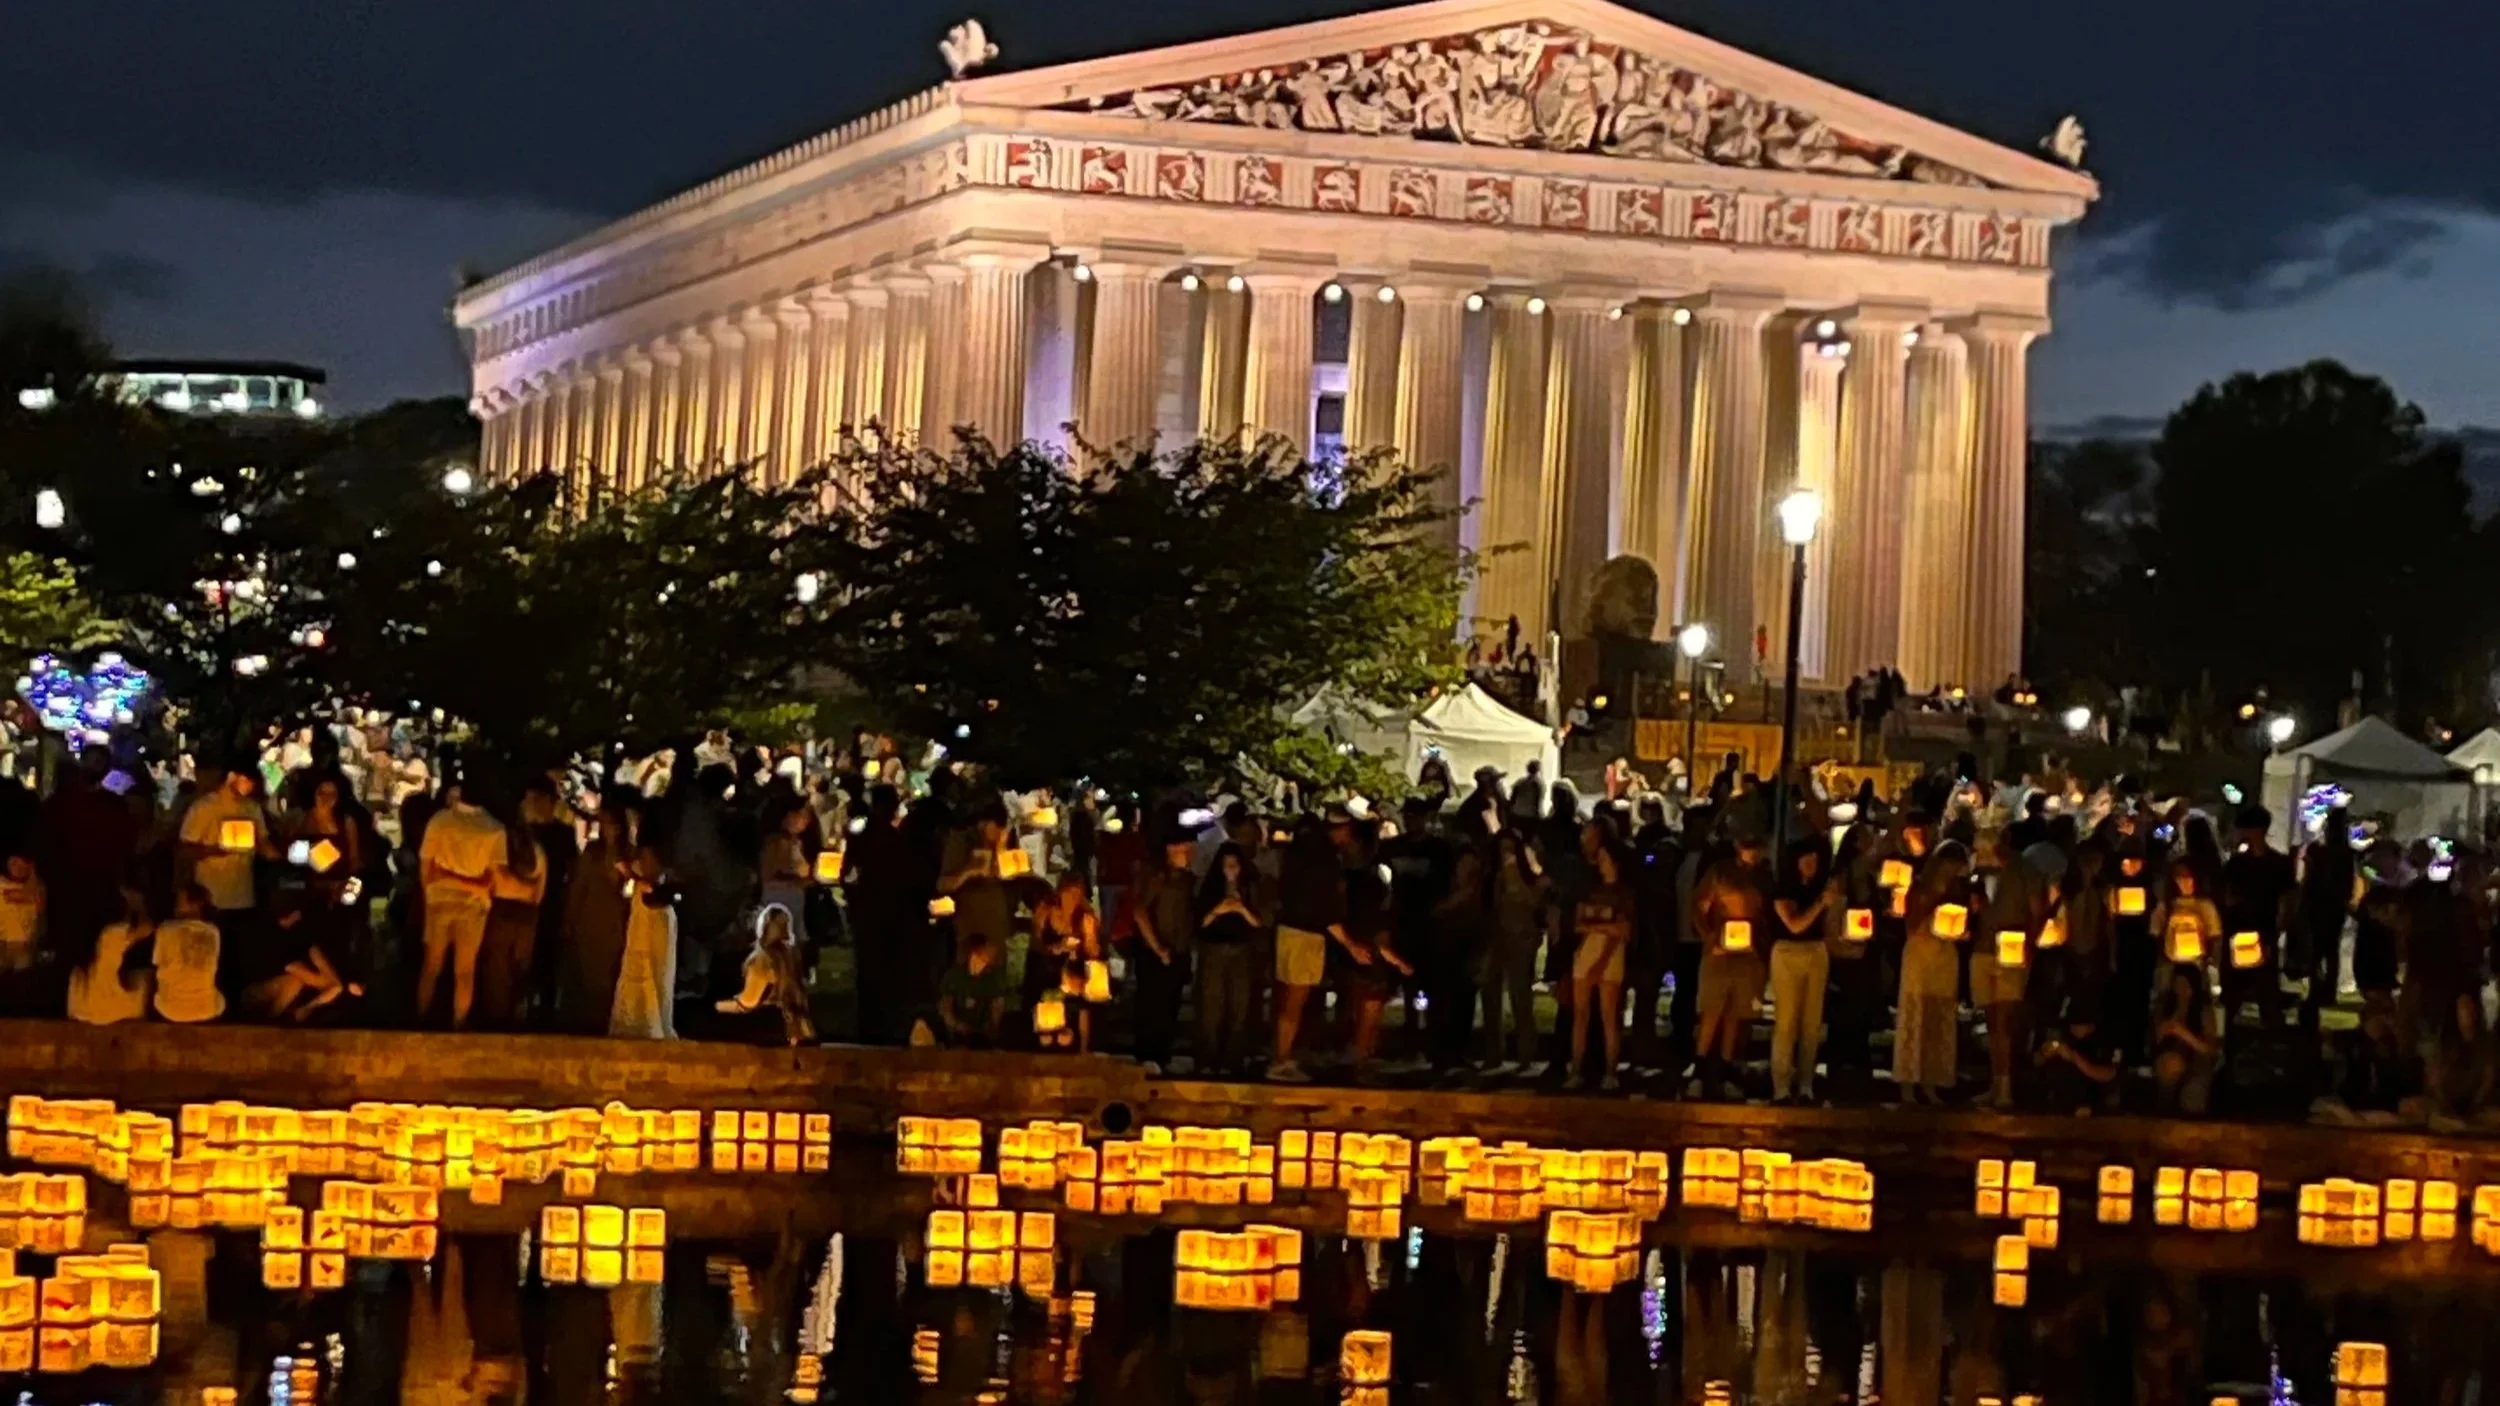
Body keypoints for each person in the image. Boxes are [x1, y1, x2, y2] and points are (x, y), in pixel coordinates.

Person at [416, 780, 507, 1030]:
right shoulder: (494, 829)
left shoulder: (440, 821)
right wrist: (473, 884)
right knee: (465, 971)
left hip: (439, 901)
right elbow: (493, 880)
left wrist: (439, 884)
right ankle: (458, 1025)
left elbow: (426, 867)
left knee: (431, 965)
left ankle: (420, 1020)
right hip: (474, 907)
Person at [1893, 841, 1973, 1105]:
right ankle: (1908, 1082)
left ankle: (1931, 1082)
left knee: (1938, 1017)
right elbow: (1911, 922)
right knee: (1917, 1015)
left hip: (1945, 954)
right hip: (1921, 951)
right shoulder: (1920, 887)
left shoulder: (1960, 890)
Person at [1693, 831, 1771, 1101]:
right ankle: (1700, 1072)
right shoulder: (1720, 873)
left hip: (1748, 956)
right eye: (1750, 846)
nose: (1754, 852)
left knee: (1736, 1015)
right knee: (1712, 1012)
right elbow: (1698, 906)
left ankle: (1726, 1072)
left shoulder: (1764, 876)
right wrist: (1710, 937)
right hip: (1720, 953)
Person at [1270, 820, 1347, 1084]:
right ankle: (1281, 1060)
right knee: (1293, 1002)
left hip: (1289, 932)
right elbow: (1324, 909)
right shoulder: (1321, 867)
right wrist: (1350, 943)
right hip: (1305, 936)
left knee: (1288, 1001)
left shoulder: (1293, 864)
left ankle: (1282, 1055)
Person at [555, 789, 637, 1036]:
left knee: (605, 978)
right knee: (584, 975)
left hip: (613, 924)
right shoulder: (592, 851)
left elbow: (625, 888)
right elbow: (578, 887)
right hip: (588, 920)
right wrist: (569, 920)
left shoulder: (628, 856)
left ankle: (601, 1026)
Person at [1767, 835, 1836, 1104]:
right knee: (1787, 1021)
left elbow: (1826, 926)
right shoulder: (1783, 892)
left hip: (1816, 951)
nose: (1811, 864)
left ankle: (1806, 1085)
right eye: (1807, 859)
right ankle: (1781, 1086)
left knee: (1811, 1023)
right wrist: (1820, 904)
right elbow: (1795, 924)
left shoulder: (1820, 888)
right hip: (1788, 951)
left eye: (1815, 860)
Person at [1566, 832, 1635, 1091]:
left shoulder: (1624, 893)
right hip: (1586, 954)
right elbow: (1579, 924)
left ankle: (1610, 1070)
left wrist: (1599, 928)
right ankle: (1576, 1068)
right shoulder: (1590, 889)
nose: (1601, 862)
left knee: (1608, 1015)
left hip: (1611, 956)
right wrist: (1607, 925)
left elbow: (1624, 931)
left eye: (1606, 858)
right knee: (1581, 1014)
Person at [1193, 844, 1268, 1075]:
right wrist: (1219, 909)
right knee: (1211, 1007)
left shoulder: (1250, 889)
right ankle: (1207, 1059)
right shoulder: (1209, 889)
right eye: (1227, 865)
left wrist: (1240, 908)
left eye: (1235, 865)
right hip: (1214, 951)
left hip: (1241, 952)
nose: (1231, 870)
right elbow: (1200, 923)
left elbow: (1259, 922)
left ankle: (1233, 1059)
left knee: (1239, 1007)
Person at [177, 761, 275, 930]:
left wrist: (279, 855)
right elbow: (185, 850)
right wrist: (214, 850)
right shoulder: (204, 807)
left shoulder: (252, 808)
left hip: (244, 897)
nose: (251, 786)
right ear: (231, 777)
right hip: (212, 899)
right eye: (247, 781)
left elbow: (264, 843)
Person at [1129, 838, 1198, 1075]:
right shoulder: (1158, 878)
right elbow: (1139, 912)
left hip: (1177, 951)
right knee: (1152, 1005)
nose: (1189, 855)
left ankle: (1162, 1053)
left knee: (1171, 1004)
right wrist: (1157, 947)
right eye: (1184, 851)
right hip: (1155, 952)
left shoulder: (1187, 880)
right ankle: (1147, 1054)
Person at [476, 807, 547, 1030]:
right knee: (519, 966)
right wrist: (529, 893)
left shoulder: (501, 850)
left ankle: (496, 1019)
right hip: (528, 912)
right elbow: (539, 888)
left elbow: (494, 880)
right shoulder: (537, 851)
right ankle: (515, 1016)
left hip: (502, 910)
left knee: (498, 969)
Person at [1480, 830, 1546, 1073]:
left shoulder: (1528, 875)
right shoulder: (1492, 876)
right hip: (1497, 937)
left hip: (1521, 938)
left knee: (1520, 995)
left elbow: (1535, 903)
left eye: (1510, 848)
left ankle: (1526, 1052)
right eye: (1502, 849)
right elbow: (1489, 907)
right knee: (1490, 994)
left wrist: (1515, 877)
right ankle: (1492, 1052)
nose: (1506, 854)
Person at [713, 904, 817, 1046]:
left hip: (773, 1034)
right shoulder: (793, 956)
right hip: (802, 1030)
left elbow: (747, 1004)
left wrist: (717, 1007)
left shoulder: (761, 961)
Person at [611, 846, 679, 1039]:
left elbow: (654, 893)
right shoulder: (637, 872)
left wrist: (630, 874)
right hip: (639, 929)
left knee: (657, 974)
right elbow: (628, 892)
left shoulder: (665, 885)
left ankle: (654, 1024)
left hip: (656, 928)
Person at [1028, 874, 1101, 1053]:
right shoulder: (1046, 911)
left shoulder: (1085, 916)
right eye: (1070, 893)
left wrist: (1088, 938)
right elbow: (1037, 941)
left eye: (1078, 894)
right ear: (1060, 892)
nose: (1073, 899)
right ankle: (1044, 1041)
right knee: (1043, 995)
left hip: (1073, 966)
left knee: (1081, 1001)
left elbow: (1094, 952)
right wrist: (1055, 947)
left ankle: (1082, 1047)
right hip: (1046, 965)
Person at [67, 881, 151, 1025]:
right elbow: (147, 927)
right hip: (113, 1009)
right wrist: (138, 904)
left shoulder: (83, 935)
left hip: (83, 1010)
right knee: (145, 976)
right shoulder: (111, 934)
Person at [152, 883, 226, 1024]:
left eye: (180, 900)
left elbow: (157, 962)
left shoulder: (165, 929)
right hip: (207, 1009)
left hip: (169, 1009)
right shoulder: (213, 932)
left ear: (196, 904)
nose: (176, 904)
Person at [2150, 962, 2217, 1114]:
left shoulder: (2203, 1012)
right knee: (2171, 1065)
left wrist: (2182, 1032)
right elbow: (2155, 1039)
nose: (2181, 990)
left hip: (2197, 1059)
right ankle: (2164, 1107)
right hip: (2169, 1056)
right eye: (2178, 984)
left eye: (2186, 985)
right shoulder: (2164, 1008)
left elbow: (2208, 1048)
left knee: (2192, 1100)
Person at [758, 797, 816, 951]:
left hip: (794, 902)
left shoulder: (795, 842)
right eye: (801, 815)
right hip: (781, 902)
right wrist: (800, 880)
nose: (806, 820)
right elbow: (771, 873)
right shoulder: (776, 843)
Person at [936, 929, 1011, 1047]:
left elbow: (997, 1010)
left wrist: (992, 1031)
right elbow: (945, 1010)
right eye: (984, 952)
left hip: (985, 1040)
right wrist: (957, 1026)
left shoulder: (994, 978)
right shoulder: (953, 976)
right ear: (974, 952)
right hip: (957, 1039)